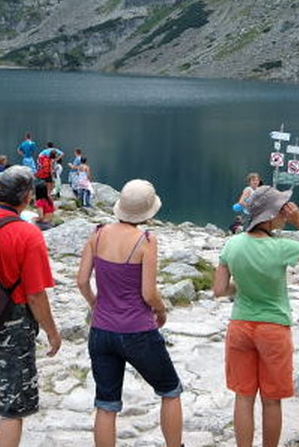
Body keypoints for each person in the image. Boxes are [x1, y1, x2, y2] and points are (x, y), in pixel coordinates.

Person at [213, 186, 299, 447]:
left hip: (240, 326)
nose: (285, 213)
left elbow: (219, 290)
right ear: (268, 217)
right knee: (271, 400)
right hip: (273, 329)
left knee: (243, 397)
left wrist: (242, 286)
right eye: (281, 210)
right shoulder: (282, 247)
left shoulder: (232, 244)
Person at [76, 179, 182, 447]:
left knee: (106, 404)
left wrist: (94, 304)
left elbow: (81, 281)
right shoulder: (146, 241)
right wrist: (162, 311)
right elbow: (148, 293)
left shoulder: (97, 234)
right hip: (138, 333)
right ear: (148, 211)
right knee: (170, 390)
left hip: (101, 332)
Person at [0, 166, 61, 447]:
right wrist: (53, 333)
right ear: (29, 196)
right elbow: (35, 296)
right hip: (11, 323)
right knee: (15, 405)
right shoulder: (28, 234)